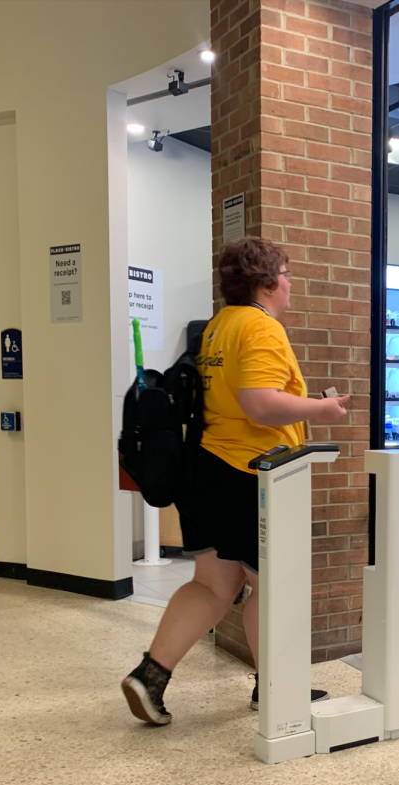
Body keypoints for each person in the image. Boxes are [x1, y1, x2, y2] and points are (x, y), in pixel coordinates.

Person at [121, 236, 351, 725]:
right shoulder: (260, 328)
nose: (290, 286)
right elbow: (260, 403)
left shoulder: (217, 327)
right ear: (267, 283)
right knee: (272, 586)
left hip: (205, 468)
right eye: (286, 275)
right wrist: (322, 408)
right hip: (252, 474)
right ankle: (275, 688)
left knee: (212, 584)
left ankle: (150, 676)